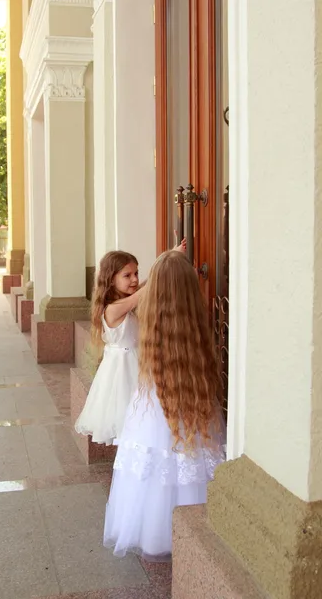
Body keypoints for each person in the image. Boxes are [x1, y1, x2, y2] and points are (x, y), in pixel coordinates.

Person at [103, 251, 226, 562]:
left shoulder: (153, 321)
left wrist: (165, 262)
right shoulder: (194, 327)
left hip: (154, 400)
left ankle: (155, 533)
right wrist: (171, 259)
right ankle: (196, 530)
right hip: (193, 396)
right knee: (190, 455)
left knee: (154, 462)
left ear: (155, 289)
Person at [75, 240, 187, 445]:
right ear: (110, 280)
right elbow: (146, 289)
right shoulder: (113, 309)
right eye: (127, 276)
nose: (135, 279)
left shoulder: (124, 301)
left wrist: (171, 253)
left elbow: (143, 287)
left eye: (136, 273)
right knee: (130, 419)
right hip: (123, 371)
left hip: (137, 364)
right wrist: (168, 260)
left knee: (144, 419)